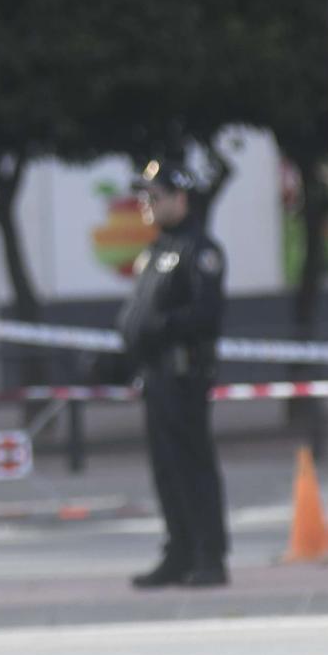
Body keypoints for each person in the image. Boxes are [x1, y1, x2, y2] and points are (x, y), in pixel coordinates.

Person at [116, 160, 228, 589]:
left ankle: (209, 555)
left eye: (154, 196)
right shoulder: (158, 250)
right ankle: (179, 551)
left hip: (184, 375)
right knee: (165, 468)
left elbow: (205, 315)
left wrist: (156, 328)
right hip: (157, 375)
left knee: (191, 465)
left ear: (180, 199)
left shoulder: (200, 250)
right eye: (144, 196)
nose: (146, 204)